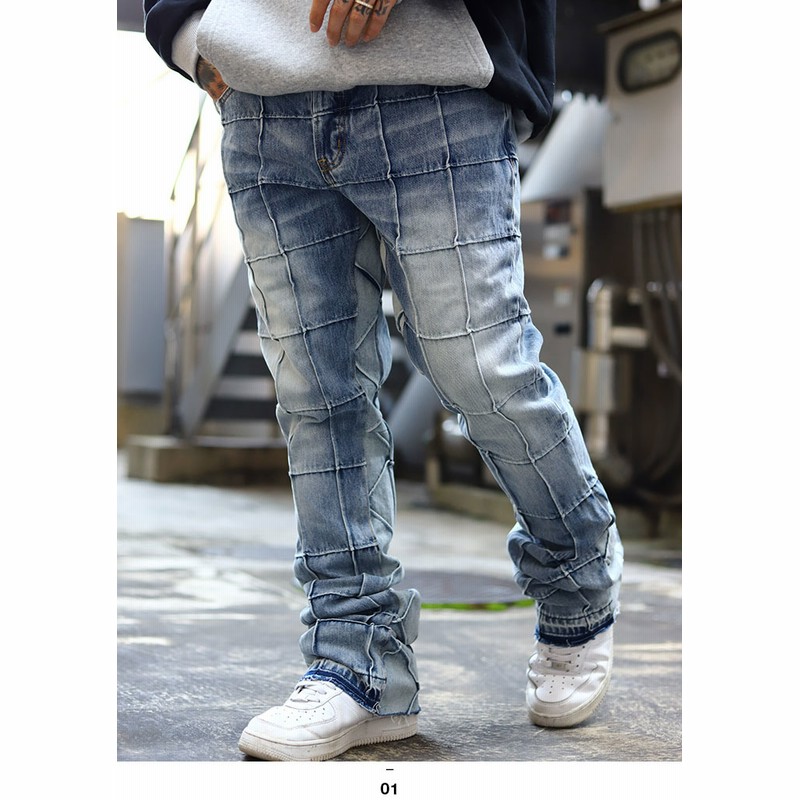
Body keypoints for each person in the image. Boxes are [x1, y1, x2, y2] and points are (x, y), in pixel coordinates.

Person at [142, 0, 624, 762]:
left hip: (439, 85)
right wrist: (188, 36)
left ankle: (577, 577)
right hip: (264, 106)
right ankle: (358, 663)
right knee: (315, 393)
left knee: (479, 363)